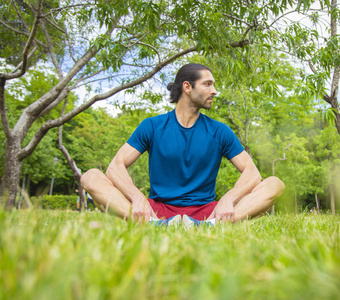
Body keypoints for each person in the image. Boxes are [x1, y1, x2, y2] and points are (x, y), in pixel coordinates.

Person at [81, 63, 285, 226]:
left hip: (207, 212)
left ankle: (211, 225)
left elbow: (252, 173)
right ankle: (152, 224)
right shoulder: (152, 126)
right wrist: (137, 198)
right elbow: (115, 167)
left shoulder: (219, 131)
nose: (214, 91)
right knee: (90, 176)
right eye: (207, 84)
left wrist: (229, 199)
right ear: (187, 87)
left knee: (275, 184)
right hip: (156, 210)